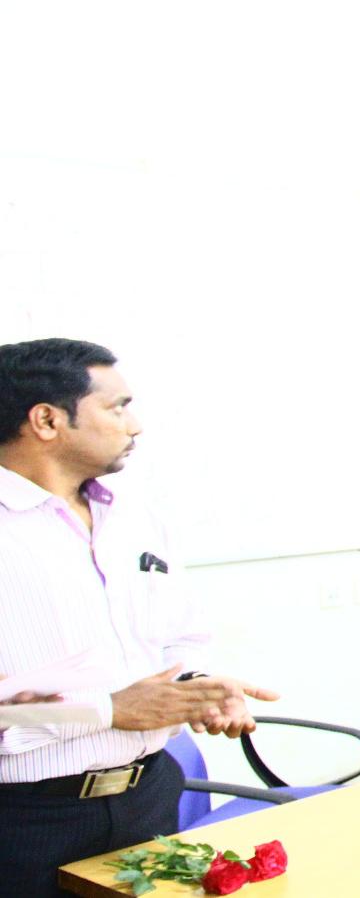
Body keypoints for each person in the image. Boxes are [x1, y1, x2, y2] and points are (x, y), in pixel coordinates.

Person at [0, 339, 278, 897]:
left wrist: (195, 687)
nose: (136, 425)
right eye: (117, 407)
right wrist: (107, 711)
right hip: (23, 819)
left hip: (146, 795)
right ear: (47, 420)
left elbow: (179, 634)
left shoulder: (134, 517)